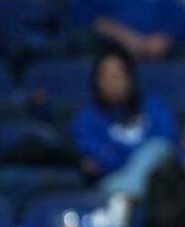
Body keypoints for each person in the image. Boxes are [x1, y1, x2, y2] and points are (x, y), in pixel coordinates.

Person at [70, 48, 177, 218]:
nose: (112, 81)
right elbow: (96, 160)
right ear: (96, 81)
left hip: (157, 186)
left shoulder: (155, 107)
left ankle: (127, 197)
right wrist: (135, 157)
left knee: (157, 148)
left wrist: (118, 156)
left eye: (117, 74)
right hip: (109, 186)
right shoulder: (86, 118)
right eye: (105, 75)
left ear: (130, 78)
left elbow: (166, 147)